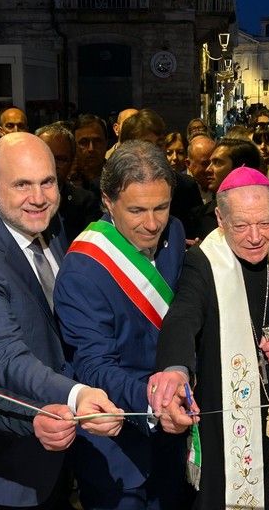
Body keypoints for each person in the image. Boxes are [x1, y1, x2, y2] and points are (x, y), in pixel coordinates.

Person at [0, 132, 123, 509]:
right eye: (22, 185)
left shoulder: (52, 225)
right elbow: (3, 356)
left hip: (67, 449)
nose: (39, 197)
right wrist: (76, 396)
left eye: (47, 181)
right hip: (15, 465)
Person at [150, 166, 269, 509]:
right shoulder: (204, 262)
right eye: (240, 225)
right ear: (221, 220)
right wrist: (175, 368)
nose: (255, 236)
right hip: (224, 425)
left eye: (265, 224)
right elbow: (182, 317)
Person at [55, 140, 187, 509]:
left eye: (161, 207)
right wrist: (156, 399)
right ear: (108, 202)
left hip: (173, 435)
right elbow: (94, 366)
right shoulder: (83, 269)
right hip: (115, 448)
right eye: (137, 210)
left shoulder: (174, 233)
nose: (152, 223)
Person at [36, 122, 101, 244]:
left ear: (72, 162)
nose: (52, 165)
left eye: (60, 159)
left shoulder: (85, 203)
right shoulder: (17, 199)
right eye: (45, 157)